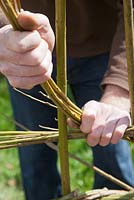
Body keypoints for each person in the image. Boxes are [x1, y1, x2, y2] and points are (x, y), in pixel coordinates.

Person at [0, 0, 134, 199]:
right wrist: (7, 33)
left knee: (110, 149)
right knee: (35, 162)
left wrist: (119, 90)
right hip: (28, 47)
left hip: (106, 48)